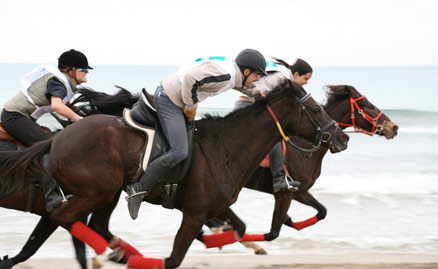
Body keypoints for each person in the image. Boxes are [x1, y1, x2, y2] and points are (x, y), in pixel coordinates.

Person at [126, 48, 268, 220]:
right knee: (180, 151)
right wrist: (191, 107)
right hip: (169, 100)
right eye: (257, 75)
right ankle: (138, 189)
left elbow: (240, 85)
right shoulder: (226, 75)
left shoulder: (233, 74)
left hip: (176, 98)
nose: (257, 79)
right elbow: (190, 79)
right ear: (246, 71)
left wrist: (259, 94)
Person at [1, 49, 93, 211]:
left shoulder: (62, 82)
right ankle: (52, 198)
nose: (86, 74)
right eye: (84, 70)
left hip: (21, 117)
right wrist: (79, 121)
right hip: (14, 117)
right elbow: (57, 106)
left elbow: (63, 106)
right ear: (70, 70)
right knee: (49, 147)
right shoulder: (58, 82)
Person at [234, 58, 313, 193]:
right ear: (296, 75)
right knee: (273, 136)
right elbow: (257, 93)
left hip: (252, 105)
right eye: (305, 78)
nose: (306, 83)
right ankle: (278, 179)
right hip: (247, 106)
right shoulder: (281, 77)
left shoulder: (285, 76)